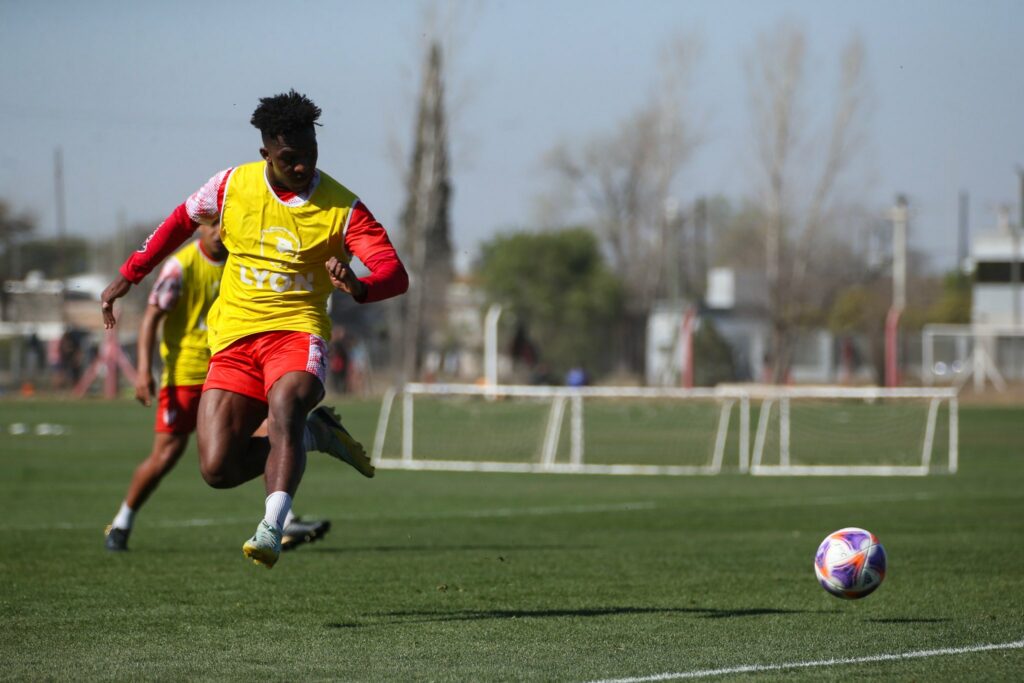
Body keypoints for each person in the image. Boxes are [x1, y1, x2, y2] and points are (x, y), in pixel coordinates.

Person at [100, 90, 409, 569]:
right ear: (265, 153)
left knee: (287, 402)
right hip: (234, 341)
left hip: (297, 334)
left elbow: (394, 271)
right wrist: (130, 273)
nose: (303, 166)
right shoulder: (229, 186)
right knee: (217, 469)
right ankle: (314, 437)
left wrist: (361, 286)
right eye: (290, 159)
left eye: (310, 155)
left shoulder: (342, 208)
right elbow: (181, 221)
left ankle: (272, 526)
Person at [103, 221, 331, 553]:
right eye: (211, 226)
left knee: (274, 431)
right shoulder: (180, 268)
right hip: (186, 375)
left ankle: (282, 519)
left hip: (233, 371)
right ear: (199, 230)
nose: (218, 233)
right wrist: (143, 370)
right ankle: (121, 522)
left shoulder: (242, 263)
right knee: (166, 454)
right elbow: (152, 316)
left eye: (224, 226)